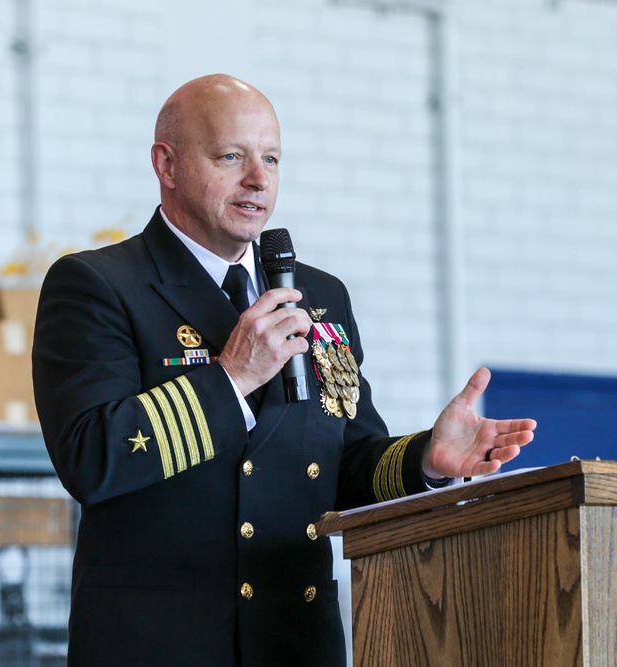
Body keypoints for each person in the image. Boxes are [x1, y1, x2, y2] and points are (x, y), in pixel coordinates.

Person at [32, 73, 536, 667]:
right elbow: (90, 458)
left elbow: (345, 462)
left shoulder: (318, 295)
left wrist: (428, 460)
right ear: (167, 166)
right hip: (159, 643)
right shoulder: (98, 284)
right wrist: (232, 378)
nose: (259, 179)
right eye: (232, 157)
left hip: (295, 642)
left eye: (271, 158)